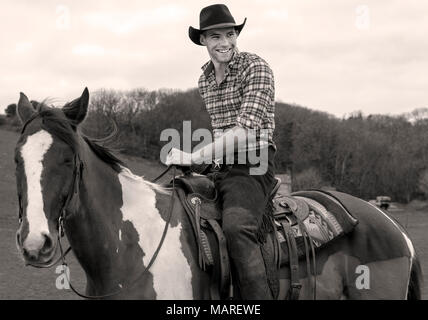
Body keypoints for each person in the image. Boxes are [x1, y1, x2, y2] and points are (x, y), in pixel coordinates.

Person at [166, 4, 276, 300]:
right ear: (203, 40)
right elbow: (220, 132)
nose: (225, 42)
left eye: (230, 34)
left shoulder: (256, 67)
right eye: (215, 37)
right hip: (221, 166)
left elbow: (243, 131)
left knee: (237, 228)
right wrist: (201, 165)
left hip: (255, 163)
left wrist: (193, 156)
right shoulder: (204, 80)